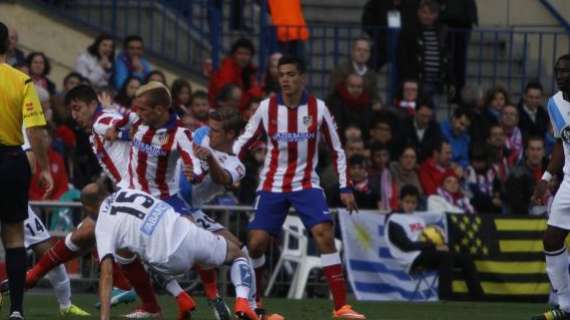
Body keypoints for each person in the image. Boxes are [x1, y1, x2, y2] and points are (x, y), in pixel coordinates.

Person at [233, 55, 366, 319]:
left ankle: (341, 307)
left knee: (324, 234)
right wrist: (231, 168)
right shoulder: (266, 108)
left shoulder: (319, 109)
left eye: (291, 74)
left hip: (306, 183)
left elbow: (338, 150)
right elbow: (243, 143)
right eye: (282, 74)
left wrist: (345, 187)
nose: (285, 79)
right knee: (257, 242)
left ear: (302, 77)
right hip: (272, 183)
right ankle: (256, 303)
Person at [19, 85, 165, 318]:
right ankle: (147, 301)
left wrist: (118, 121)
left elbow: (140, 129)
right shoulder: (100, 124)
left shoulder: (102, 121)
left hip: (141, 195)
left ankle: (33, 276)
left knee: (89, 232)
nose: (75, 115)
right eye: (71, 111)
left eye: (78, 108)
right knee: (88, 233)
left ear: (91, 104)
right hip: (133, 194)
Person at [88, 185, 258, 320]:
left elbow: (107, 273)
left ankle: (180, 296)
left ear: (89, 207)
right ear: (106, 192)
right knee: (237, 254)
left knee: (143, 257)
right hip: (188, 233)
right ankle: (243, 302)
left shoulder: (103, 226)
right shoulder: (128, 191)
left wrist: (104, 317)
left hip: (168, 260)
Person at [0, 21, 54, 320]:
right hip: (10, 160)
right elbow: (35, 130)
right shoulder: (21, 81)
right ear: (8, 45)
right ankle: (17, 310)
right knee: (14, 237)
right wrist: (45, 168)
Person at [386, 186, 483, 300]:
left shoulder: (419, 219)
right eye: (407, 202)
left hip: (425, 252)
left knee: (465, 258)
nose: (410, 205)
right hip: (410, 258)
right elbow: (406, 246)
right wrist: (434, 247)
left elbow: (427, 239)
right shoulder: (394, 219)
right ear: (400, 201)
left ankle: (479, 298)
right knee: (445, 256)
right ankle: (446, 298)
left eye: (413, 202)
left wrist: (439, 246)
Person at [531, 54, 570, 320]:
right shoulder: (554, 103)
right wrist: (546, 177)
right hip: (569, 181)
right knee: (551, 238)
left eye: (566, 71)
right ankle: (566, 307)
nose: (559, 75)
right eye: (557, 70)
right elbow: (560, 142)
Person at [397, 0, 452, 101]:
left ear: (436, 15)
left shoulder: (442, 32)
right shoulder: (409, 31)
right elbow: (403, 58)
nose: (428, 16)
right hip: (416, 83)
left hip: (436, 82)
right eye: (425, 12)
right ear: (418, 13)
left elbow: (446, 55)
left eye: (431, 13)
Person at [208, 38, 262, 114]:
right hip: (223, 112)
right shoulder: (227, 69)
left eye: (247, 54)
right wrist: (252, 94)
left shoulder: (249, 70)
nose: (243, 57)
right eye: (240, 53)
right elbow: (228, 99)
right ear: (234, 54)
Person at [328, 36, 380, 108]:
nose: (362, 53)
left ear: (369, 54)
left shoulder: (372, 74)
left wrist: (377, 103)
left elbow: (375, 97)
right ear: (352, 52)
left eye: (365, 51)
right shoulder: (341, 70)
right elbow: (333, 94)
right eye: (359, 50)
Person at [506, 136, 547, 215]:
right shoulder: (516, 175)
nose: (535, 153)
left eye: (538, 149)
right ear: (526, 152)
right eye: (532, 149)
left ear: (544, 152)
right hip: (524, 219)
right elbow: (516, 204)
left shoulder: (552, 172)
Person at [327, 73, 374, 140]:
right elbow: (335, 124)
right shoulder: (336, 101)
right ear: (345, 86)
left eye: (359, 87)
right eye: (352, 86)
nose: (356, 90)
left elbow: (368, 124)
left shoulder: (367, 102)